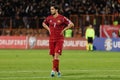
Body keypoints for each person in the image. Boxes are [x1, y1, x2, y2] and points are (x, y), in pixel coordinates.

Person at [42, 5, 74, 77]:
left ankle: (53, 71)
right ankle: (58, 71)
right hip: (51, 39)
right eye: (50, 9)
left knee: (56, 56)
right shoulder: (49, 18)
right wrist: (48, 29)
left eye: (52, 9)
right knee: (54, 57)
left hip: (59, 39)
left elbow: (72, 24)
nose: (51, 11)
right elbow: (43, 23)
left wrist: (64, 29)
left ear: (56, 10)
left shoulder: (62, 18)